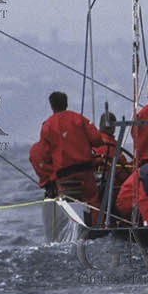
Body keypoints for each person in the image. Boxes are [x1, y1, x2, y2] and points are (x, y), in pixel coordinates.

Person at [35, 91, 113, 220]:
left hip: (63, 175)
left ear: (51, 106)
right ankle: (96, 226)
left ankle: (71, 224)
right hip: (85, 171)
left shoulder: (47, 126)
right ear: (66, 103)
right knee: (92, 200)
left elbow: (44, 154)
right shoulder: (79, 119)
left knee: (66, 202)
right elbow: (96, 140)